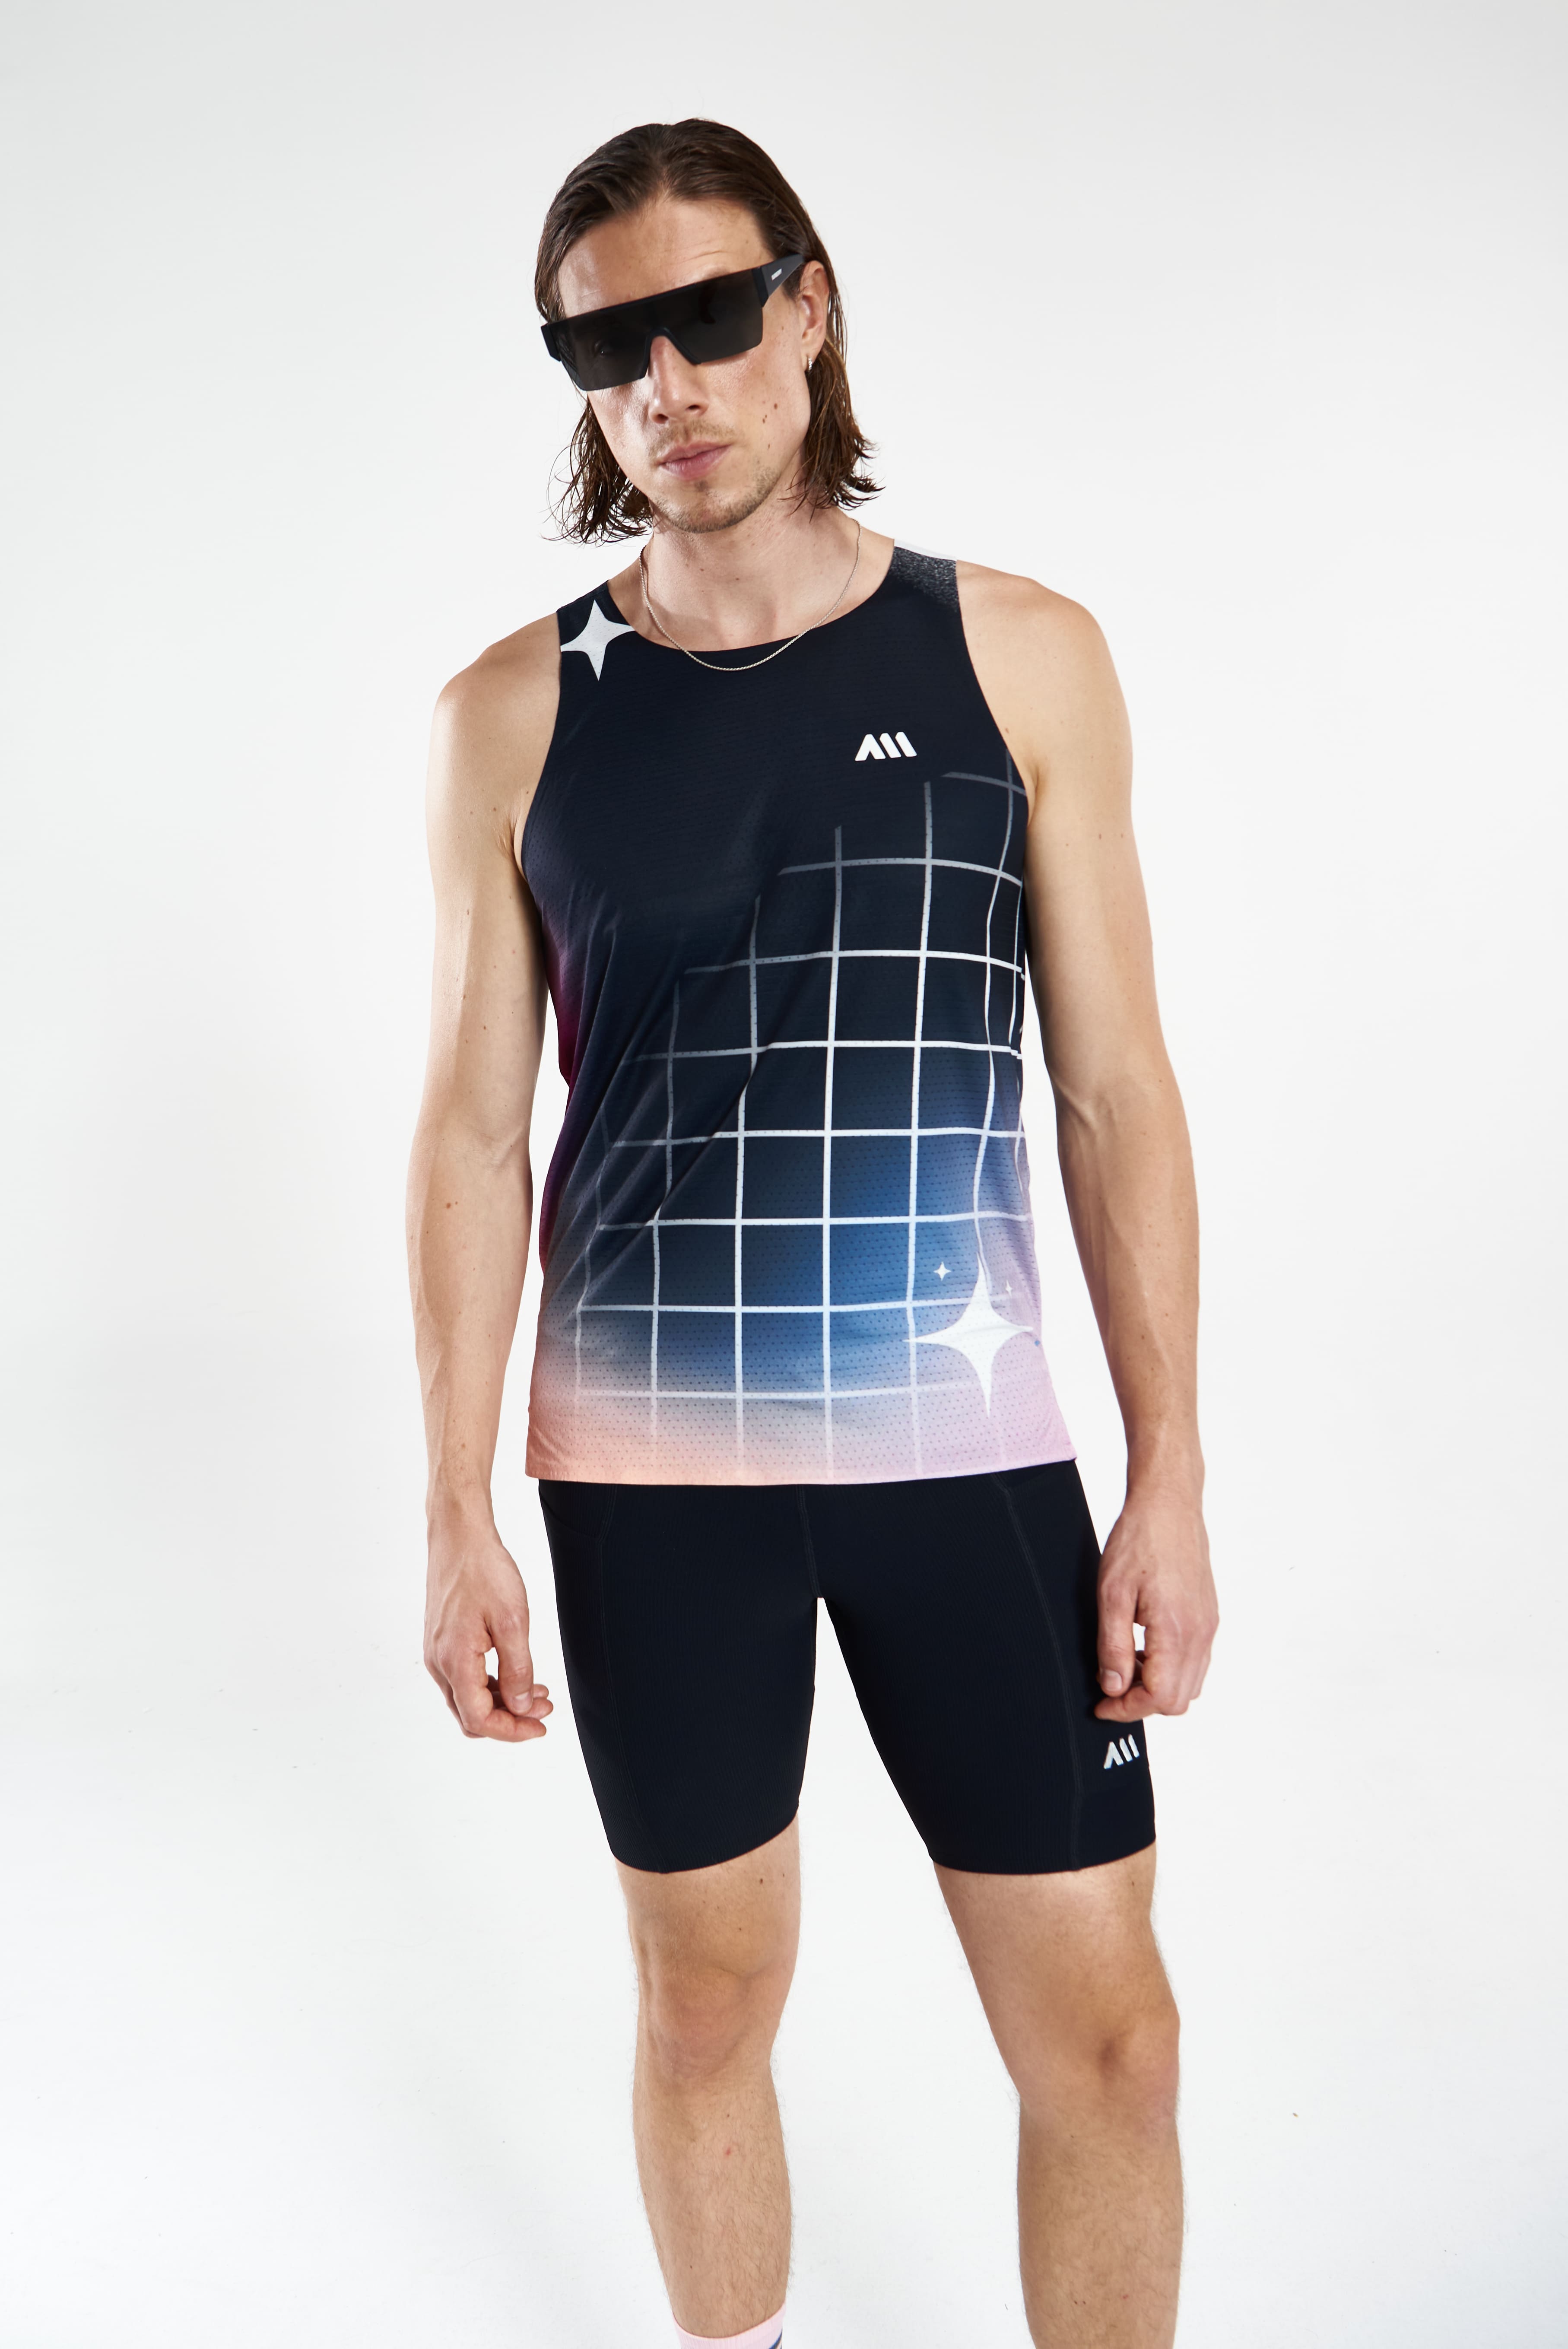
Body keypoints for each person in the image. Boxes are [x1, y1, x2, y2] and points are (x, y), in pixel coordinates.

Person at [406, 116, 1218, 2349]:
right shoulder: (510, 716)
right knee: (703, 2016)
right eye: (605, 345)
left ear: (808, 307)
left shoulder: (1020, 656)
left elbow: (1118, 1092)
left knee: (1113, 2042)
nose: (664, 380)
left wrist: (1169, 1473)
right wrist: (456, 1508)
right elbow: (470, 1134)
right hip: (650, 1481)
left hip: (971, 1456)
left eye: (705, 316)